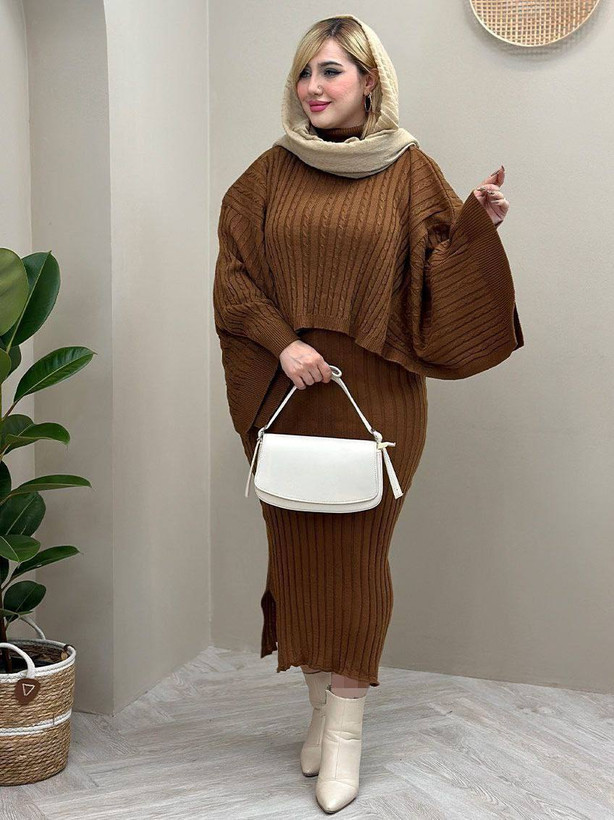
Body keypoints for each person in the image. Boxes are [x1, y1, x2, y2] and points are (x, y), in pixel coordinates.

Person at [213, 13, 524, 814]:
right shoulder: (270, 173)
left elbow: (437, 278)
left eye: (331, 71)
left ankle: (347, 732)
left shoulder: (410, 169)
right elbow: (236, 276)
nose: (313, 88)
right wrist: (283, 344)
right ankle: (319, 713)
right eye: (305, 72)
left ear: (369, 80)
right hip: (287, 390)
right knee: (297, 560)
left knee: (357, 564)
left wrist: (476, 229)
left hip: (376, 395)